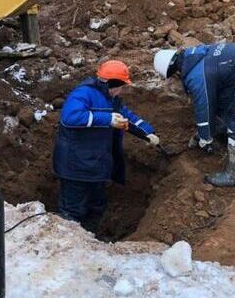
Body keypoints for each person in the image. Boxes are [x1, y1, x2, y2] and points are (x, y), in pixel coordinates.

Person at [153, 43, 235, 187]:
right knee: (224, 104)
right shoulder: (195, 55)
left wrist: (205, 138)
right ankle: (223, 133)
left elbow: (204, 107)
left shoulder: (197, 75)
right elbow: (215, 102)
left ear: (173, 69)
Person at [53, 60, 160, 233]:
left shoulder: (112, 99)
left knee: (97, 205)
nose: (122, 90)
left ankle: (90, 239)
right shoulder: (83, 94)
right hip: (74, 167)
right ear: (112, 84)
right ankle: (69, 244)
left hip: (96, 166)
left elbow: (125, 116)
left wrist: (147, 133)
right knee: (72, 211)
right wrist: (107, 119)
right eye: (121, 85)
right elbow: (70, 117)